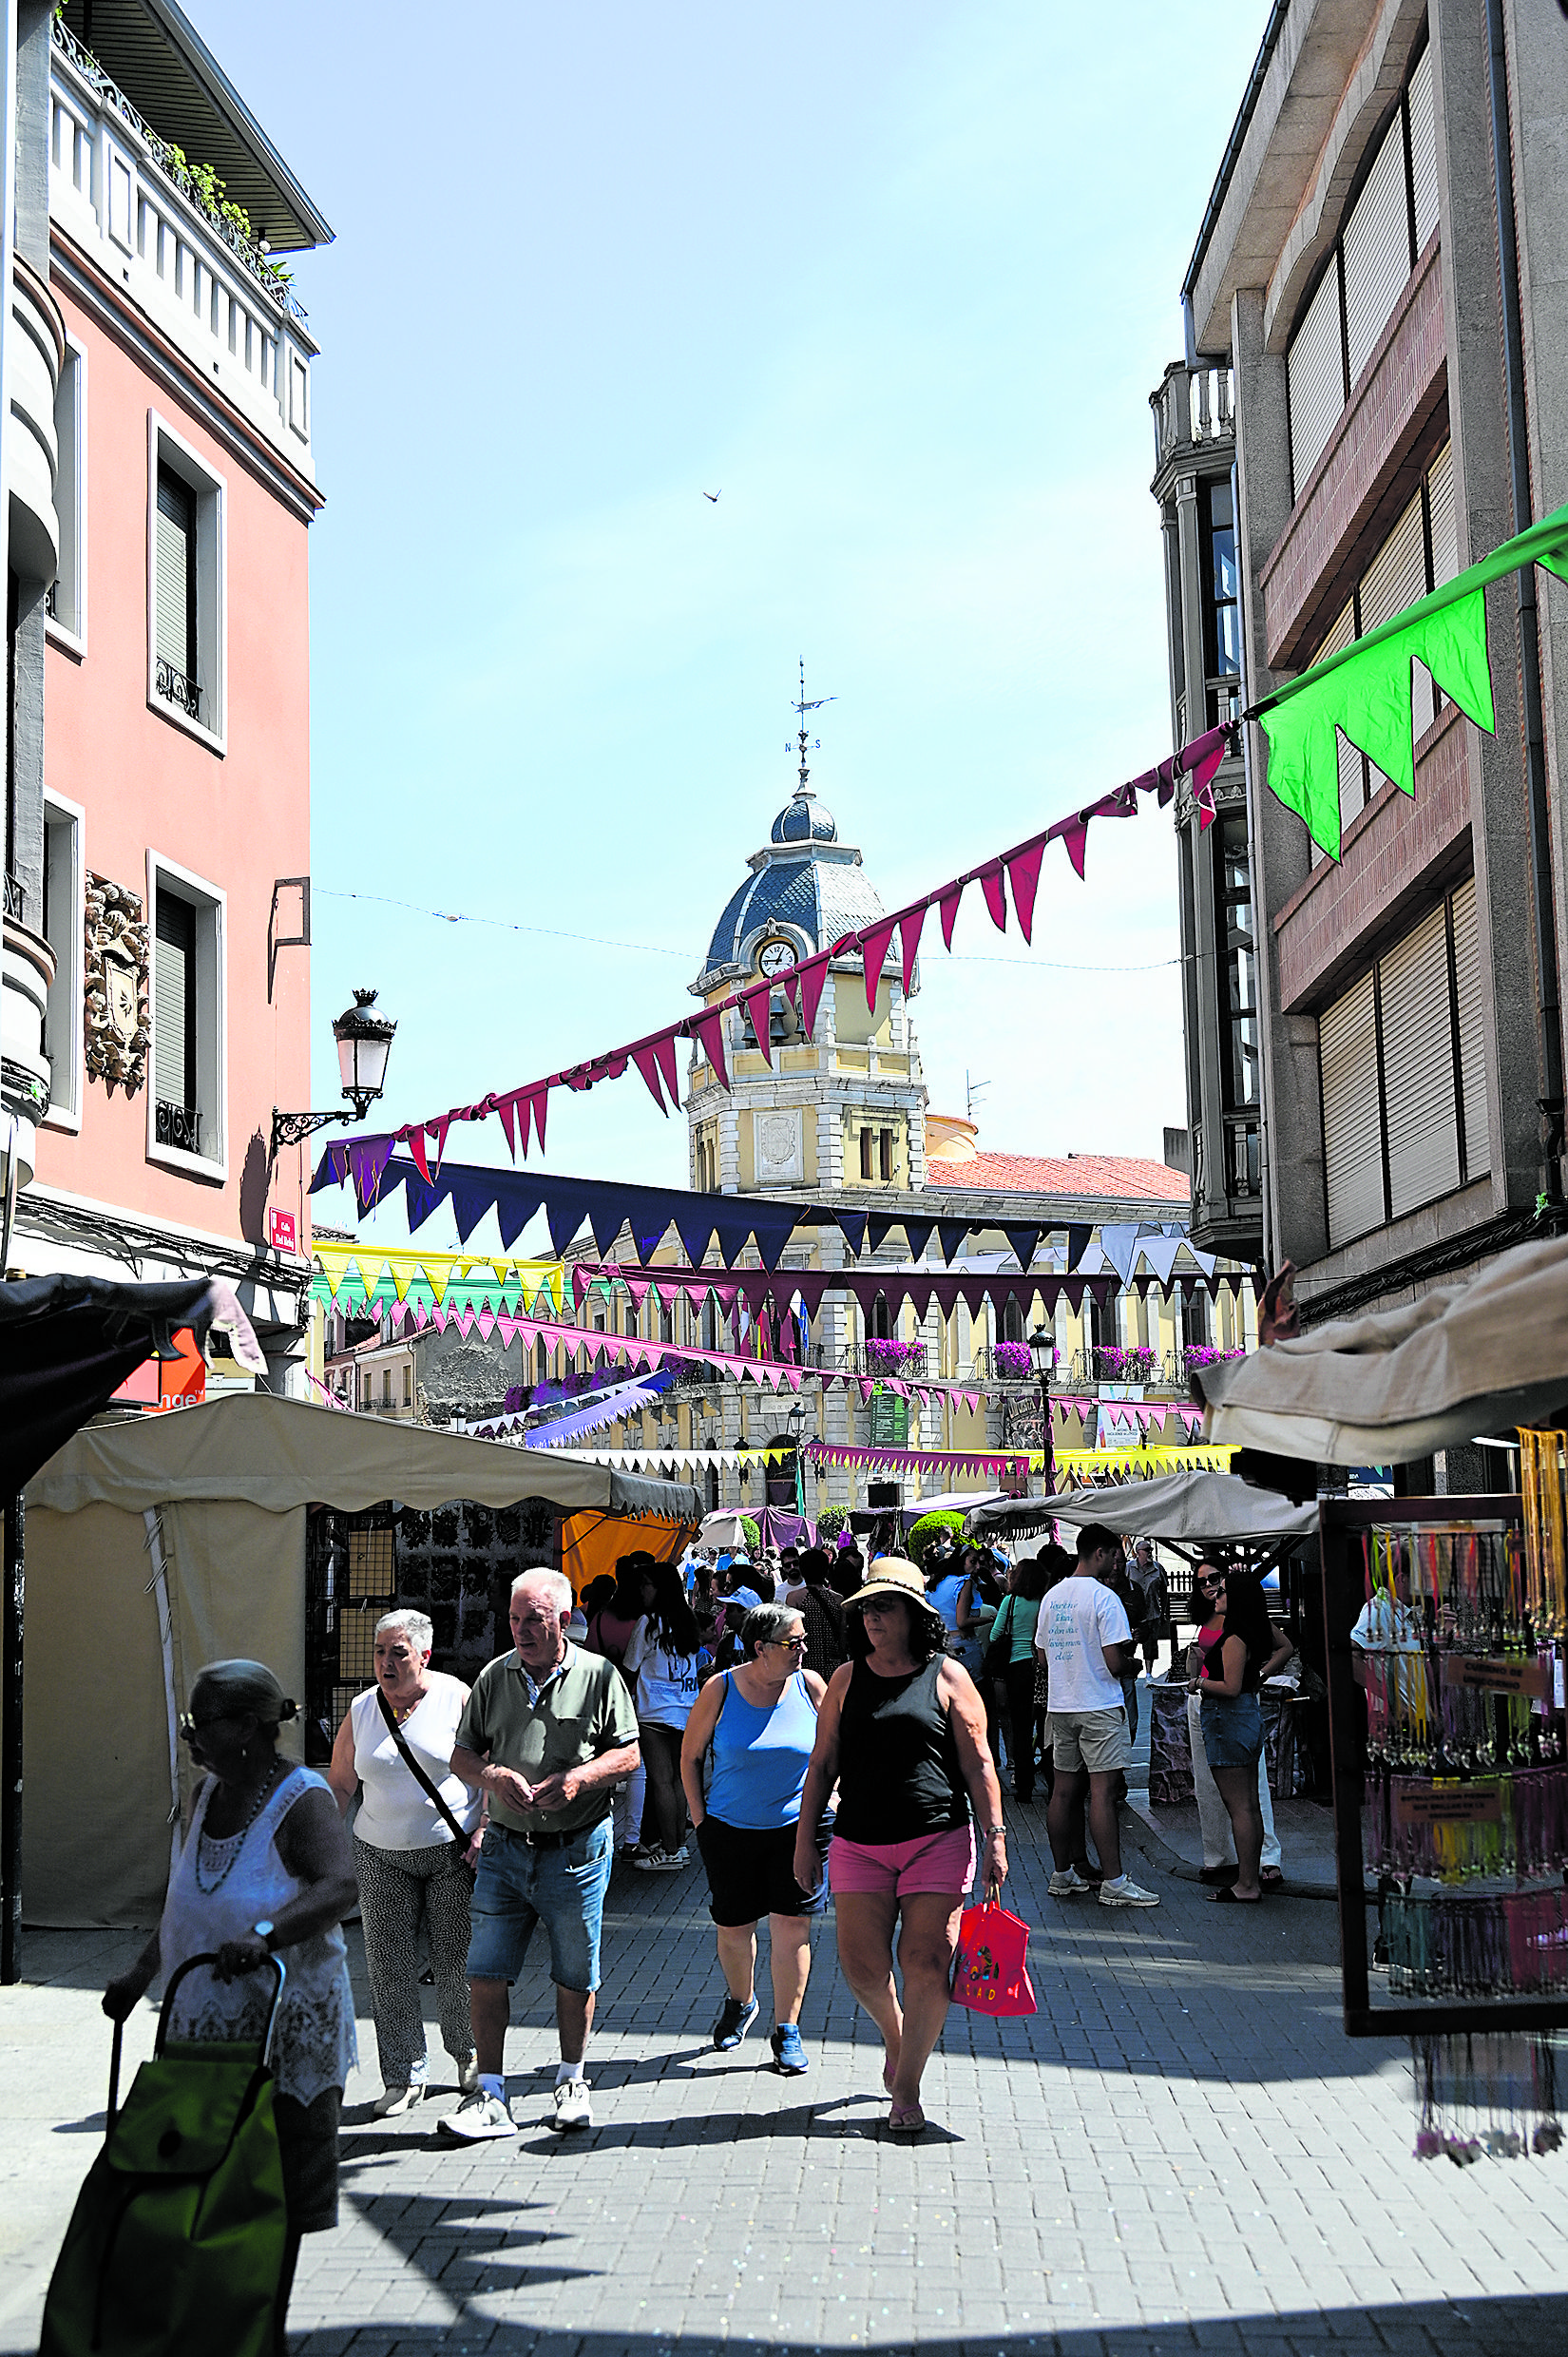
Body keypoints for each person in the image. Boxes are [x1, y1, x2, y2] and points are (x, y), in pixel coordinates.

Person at [103, 1660, 358, 2335]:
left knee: (271, 2195)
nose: (189, 1734)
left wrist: (266, 1934)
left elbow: (338, 1887)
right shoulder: (204, 1795)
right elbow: (187, 1901)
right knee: (201, 2183)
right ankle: (216, 2324)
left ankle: (260, 2327)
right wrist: (139, 1975)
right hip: (203, 2034)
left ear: (248, 1726)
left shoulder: (300, 1796)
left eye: (200, 1722)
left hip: (287, 2033)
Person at [794, 1558, 1005, 2137]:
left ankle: (906, 2085)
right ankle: (897, 2036)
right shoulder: (844, 1678)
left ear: (915, 1614)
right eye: (865, 1607)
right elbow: (822, 1763)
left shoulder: (948, 1676)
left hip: (935, 1837)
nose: (871, 1617)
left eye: (883, 1606)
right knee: (861, 1967)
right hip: (860, 1840)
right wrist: (805, 1839)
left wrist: (996, 1838)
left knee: (927, 1960)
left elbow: (979, 1762)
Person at [445, 1571, 640, 2137]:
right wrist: (493, 1775)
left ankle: (572, 2080)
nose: (522, 1630)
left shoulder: (598, 1676)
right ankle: (491, 2094)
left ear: (564, 1618)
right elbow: (461, 1755)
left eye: (535, 1618)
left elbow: (627, 1756)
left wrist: (580, 1778)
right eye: (514, 1618)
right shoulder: (493, 1677)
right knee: (485, 1970)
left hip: (575, 1850)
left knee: (575, 1971)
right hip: (505, 1848)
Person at [324, 1609, 482, 2117]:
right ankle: (403, 2075)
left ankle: (470, 2057)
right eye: (380, 1653)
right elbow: (342, 1782)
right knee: (387, 1966)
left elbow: (490, 1767)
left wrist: (486, 1829)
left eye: (399, 1653)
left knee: (455, 1962)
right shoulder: (362, 1709)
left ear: (425, 1656)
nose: (387, 1664)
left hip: (450, 1851)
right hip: (379, 1853)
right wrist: (321, 1841)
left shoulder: (457, 1698)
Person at [680, 1602, 828, 2073]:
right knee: (734, 1928)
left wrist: (836, 1799)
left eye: (803, 1639)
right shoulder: (720, 1689)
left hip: (799, 1832)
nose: (803, 1649)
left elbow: (835, 1749)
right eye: (793, 1642)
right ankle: (741, 2002)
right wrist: (700, 1820)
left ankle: (787, 2030)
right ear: (760, 1648)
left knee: (792, 1928)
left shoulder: (809, 1686)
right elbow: (689, 1757)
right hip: (729, 1831)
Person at [1037, 1524, 1160, 1907]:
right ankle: (1114, 1880)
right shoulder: (1104, 1599)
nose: (1117, 1563)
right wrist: (1131, 1664)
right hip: (1099, 1704)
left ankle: (1062, 1873)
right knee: (1103, 1794)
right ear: (1101, 1553)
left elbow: (1041, 1656)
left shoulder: (1052, 1597)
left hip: (1061, 1706)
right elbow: (1113, 1660)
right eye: (1115, 1555)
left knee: (1063, 1792)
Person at [1187, 1568, 1294, 1892]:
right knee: (1248, 1803)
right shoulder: (1250, 1628)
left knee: (1241, 1806)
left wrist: (1199, 1682)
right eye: (1207, 1586)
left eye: (1221, 1589)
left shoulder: (1235, 1635)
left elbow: (1230, 1687)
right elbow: (1283, 1648)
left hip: (1228, 1717)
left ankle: (1247, 1882)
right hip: (1244, 1712)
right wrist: (1258, 1676)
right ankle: (1249, 1876)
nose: (1214, 1592)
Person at [623, 1559, 702, 1870]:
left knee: (661, 1782)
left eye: (646, 1585)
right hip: (686, 1709)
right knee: (679, 1781)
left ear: (660, 1588)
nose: (642, 1591)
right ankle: (679, 1847)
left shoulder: (648, 1623)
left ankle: (668, 1851)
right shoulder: (688, 1620)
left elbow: (630, 1667)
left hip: (655, 1712)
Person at [989, 1556, 1049, 1802]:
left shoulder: (1010, 1602)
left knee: (1021, 1729)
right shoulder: (1044, 1603)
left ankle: (1024, 1787)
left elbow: (995, 1635)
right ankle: (1052, 1783)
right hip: (1043, 1669)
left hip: (1017, 1669)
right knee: (1045, 1728)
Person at [789, 1546, 849, 1680]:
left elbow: (791, 1634)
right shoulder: (838, 1600)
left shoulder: (794, 1598)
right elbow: (842, 1636)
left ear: (802, 1571)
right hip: (833, 1666)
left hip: (805, 1667)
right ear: (826, 1570)